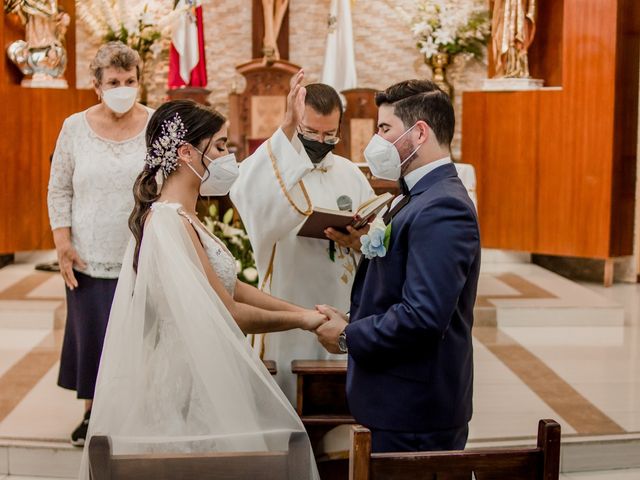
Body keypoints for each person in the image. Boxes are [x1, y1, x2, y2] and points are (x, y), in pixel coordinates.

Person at [78, 100, 323, 479]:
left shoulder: (185, 216)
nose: (229, 158)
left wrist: (303, 310)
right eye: (221, 146)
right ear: (187, 152)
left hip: (206, 372)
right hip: (187, 386)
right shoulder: (168, 222)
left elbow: (234, 286)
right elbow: (228, 310)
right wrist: (306, 321)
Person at [315, 80, 481, 453]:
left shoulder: (443, 207)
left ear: (419, 132)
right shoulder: (417, 195)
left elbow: (423, 316)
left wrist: (349, 335)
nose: (375, 140)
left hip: (415, 410)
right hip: (398, 402)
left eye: (384, 128)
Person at [230, 70, 374, 401]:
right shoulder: (273, 167)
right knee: (286, 398)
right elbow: (246, 193)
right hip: (288, 302)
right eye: (310, 132)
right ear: (296, 123)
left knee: (338, 404)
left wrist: (360, 237)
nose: (320, 142)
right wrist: (283, 127)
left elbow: (375, 230)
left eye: (330, 135)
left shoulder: (350, 173)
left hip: (341, 306)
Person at [47, 41, 153, 447]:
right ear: (97, 85)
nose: (122, 87)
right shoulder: (74, 127)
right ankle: (92, 412)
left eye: (129, 81)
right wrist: (62, 241)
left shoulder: (156, 123)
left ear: (140, 82)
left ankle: (137, 412)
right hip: (88, 252)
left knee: (138, 335)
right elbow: (59, 189)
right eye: (114, 81)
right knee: (91, 332)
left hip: (139, 250)